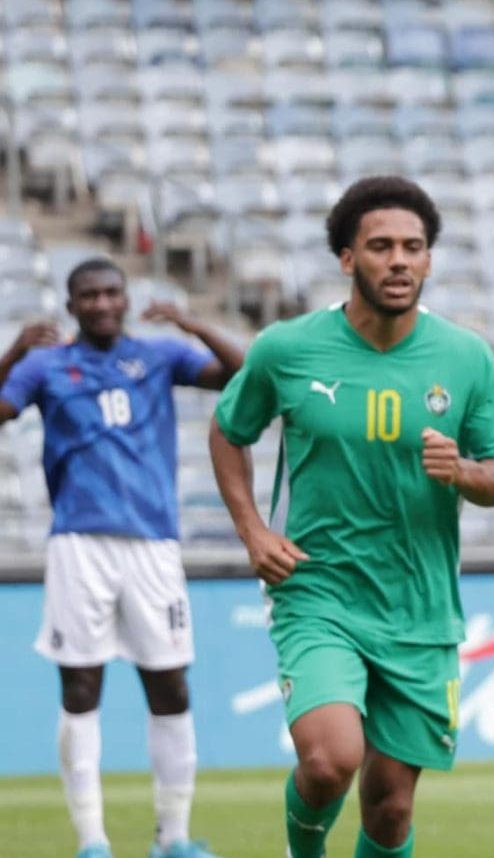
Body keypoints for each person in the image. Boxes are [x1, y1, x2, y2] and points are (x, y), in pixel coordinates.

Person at [209, 176, 494, 858]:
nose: (399, 260)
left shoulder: (465, 357)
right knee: (328, 761)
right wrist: (254, 532)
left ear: (430, 260)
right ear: (348, 259)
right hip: (317, 592)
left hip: (420, 606)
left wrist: (464, 472)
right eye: (381, 246)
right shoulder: (287, 349)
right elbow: (229, 429)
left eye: (414, 247)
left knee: (390, 807)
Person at [0, 258, 241, 858]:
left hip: (154, 544)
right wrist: (11, 352)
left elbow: (242, 374)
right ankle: (92, 841)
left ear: (127, 297)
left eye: (112, 292)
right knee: (81, 689)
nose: (103, 303)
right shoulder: (46, 365)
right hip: (80, 543)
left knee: (171, 687)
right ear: (71, 303)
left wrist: (193, 324)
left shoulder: (160, 356)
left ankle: (174, 838)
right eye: (90, 295)